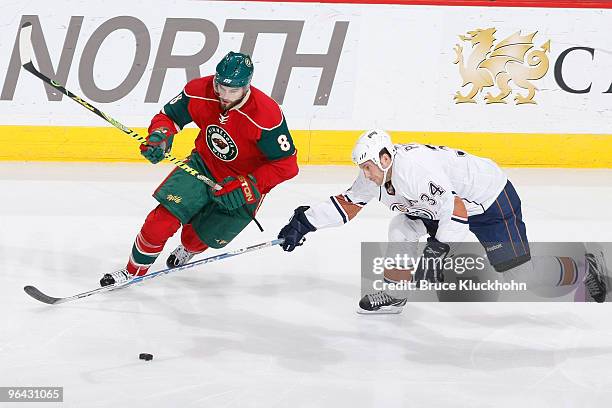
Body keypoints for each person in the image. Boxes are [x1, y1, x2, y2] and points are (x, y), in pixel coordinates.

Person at [277, 129, 608, 312]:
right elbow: (349, 204)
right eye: (362, 167)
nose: (365, 173)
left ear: (386, 157)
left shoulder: (417, 173)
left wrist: (437, 251)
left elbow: (457, 212)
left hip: (489, 199)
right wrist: (305, 223)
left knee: (522, 273)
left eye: (368, 167)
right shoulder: (377, 172)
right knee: (402, 226)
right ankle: (394, 293)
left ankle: (583, 265)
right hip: (448, 205)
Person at [100, 51, 299, 286]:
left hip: (241, 182)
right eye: (220, 87)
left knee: (196, 239)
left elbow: (286, 165)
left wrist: (247, 185)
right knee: (160, 222)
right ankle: (133, 272)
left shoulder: (266, 115)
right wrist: (160, 135)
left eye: (233, 91)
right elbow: (169, 116)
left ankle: (188, 248)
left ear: (247, 86)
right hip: (202, 165)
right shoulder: (198, 90)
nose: (224, 96)